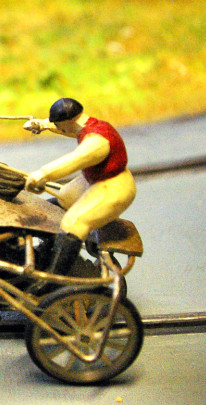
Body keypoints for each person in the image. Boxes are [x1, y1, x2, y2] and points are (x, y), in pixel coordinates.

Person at [23, 98, 137, 280]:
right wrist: (42, 124)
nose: (59, 129)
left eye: (59, 125)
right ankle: (51, 246)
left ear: (69, 121)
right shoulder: (87, 126)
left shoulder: (97, 142)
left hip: (114, 185)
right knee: (63, 198)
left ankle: (54, 277)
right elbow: (65, 130)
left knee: (74, 223)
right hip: (95, 179)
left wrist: (43, 174)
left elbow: (74, 160)